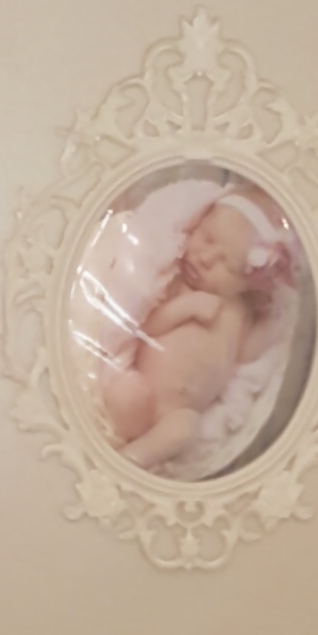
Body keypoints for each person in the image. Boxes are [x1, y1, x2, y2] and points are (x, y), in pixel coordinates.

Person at [93, 189, 287, 474]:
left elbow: (246, 357)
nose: (206, 258)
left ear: (248, 283)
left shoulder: (242, 314)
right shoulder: (177, 284)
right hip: (144, 394)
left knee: (186, 428)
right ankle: (123, 440)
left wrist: (268, 322)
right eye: (207, 238)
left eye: (227, 265)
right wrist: (185, 307)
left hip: (176, 414)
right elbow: (145, 327)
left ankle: (133, 458)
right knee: (125, 390)